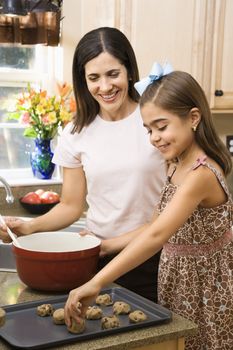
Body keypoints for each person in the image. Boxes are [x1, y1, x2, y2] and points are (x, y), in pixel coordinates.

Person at [64, 66, 233, 350]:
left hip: (205, 289)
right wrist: (105, 245)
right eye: (149, 129)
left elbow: (157, 237)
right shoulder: (176, 164)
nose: (154, 137)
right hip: (177, 281)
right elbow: (153, 224)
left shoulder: (200, 175)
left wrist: (97, 282)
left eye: (162, 126)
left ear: (193, 118)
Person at [0, 28, 166, 302]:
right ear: (83, 80)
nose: (105, 87)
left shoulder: (155, 120)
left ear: (129, 71)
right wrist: (29, 227)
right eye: (94, 78)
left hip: (154, 258)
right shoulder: (76, 133)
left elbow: (171, 209)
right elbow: (70, 205)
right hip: (97, 258)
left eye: (113, 74)